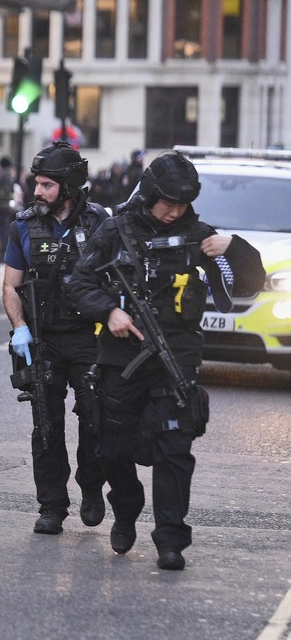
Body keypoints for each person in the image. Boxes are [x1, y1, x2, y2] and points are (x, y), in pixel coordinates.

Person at [67, 151, 264, 570]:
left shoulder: (200, 236)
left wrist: (235, 247)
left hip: (176, 359)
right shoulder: (115, 231)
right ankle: (126, 506)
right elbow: (80, 282)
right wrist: (108, 311)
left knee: (175, 450)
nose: (174, 212)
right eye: (168, 203)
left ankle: (171, 540)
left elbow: (250, 282)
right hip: (121, 359)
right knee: (111, 448)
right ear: (151, 193)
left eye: (182, 204)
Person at [3, 141, 110, 535]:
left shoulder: (100, 224)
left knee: (96, 420)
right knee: (45, 425)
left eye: (47, 184)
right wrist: (20, 329)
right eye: (37, 183)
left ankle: (92, 488)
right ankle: (51, 506)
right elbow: (11, 286)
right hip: (43, 339)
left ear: (67, 186)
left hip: (90, 338)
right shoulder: (22, 225)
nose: (38, 191)